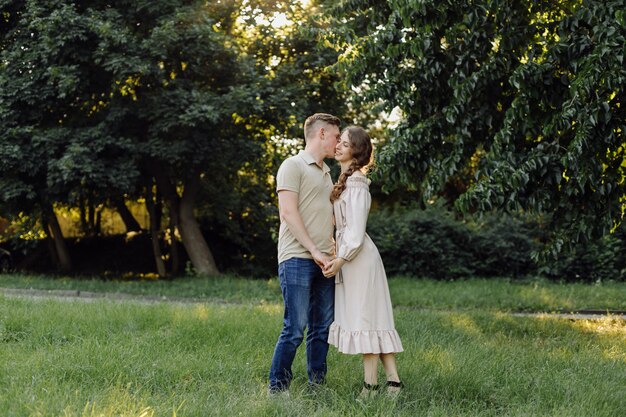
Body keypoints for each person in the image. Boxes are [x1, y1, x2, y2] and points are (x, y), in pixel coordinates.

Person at [323, 126, 404, 398]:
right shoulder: (347, 180)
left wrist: (340, 260)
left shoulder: (357, 183)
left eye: (344, 144)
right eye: (339, 143)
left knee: (366, 321)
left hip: (357, 258)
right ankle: (393, 384)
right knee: (373, 319)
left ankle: (370, 387)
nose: (338, 147)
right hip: (351, 258)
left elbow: (356, 232)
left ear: (356, 151)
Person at [268, 113, 342, 395]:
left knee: (322, 327)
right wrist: (314, 250)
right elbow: (288, 212)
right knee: (295, 327)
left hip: (325, 261)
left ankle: (316, 386)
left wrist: (332, 253)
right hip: (298, 257)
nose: (338, 142)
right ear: (321, 133)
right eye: (336, 136)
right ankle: (278, 388)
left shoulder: (326, 173)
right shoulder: (293, 165)